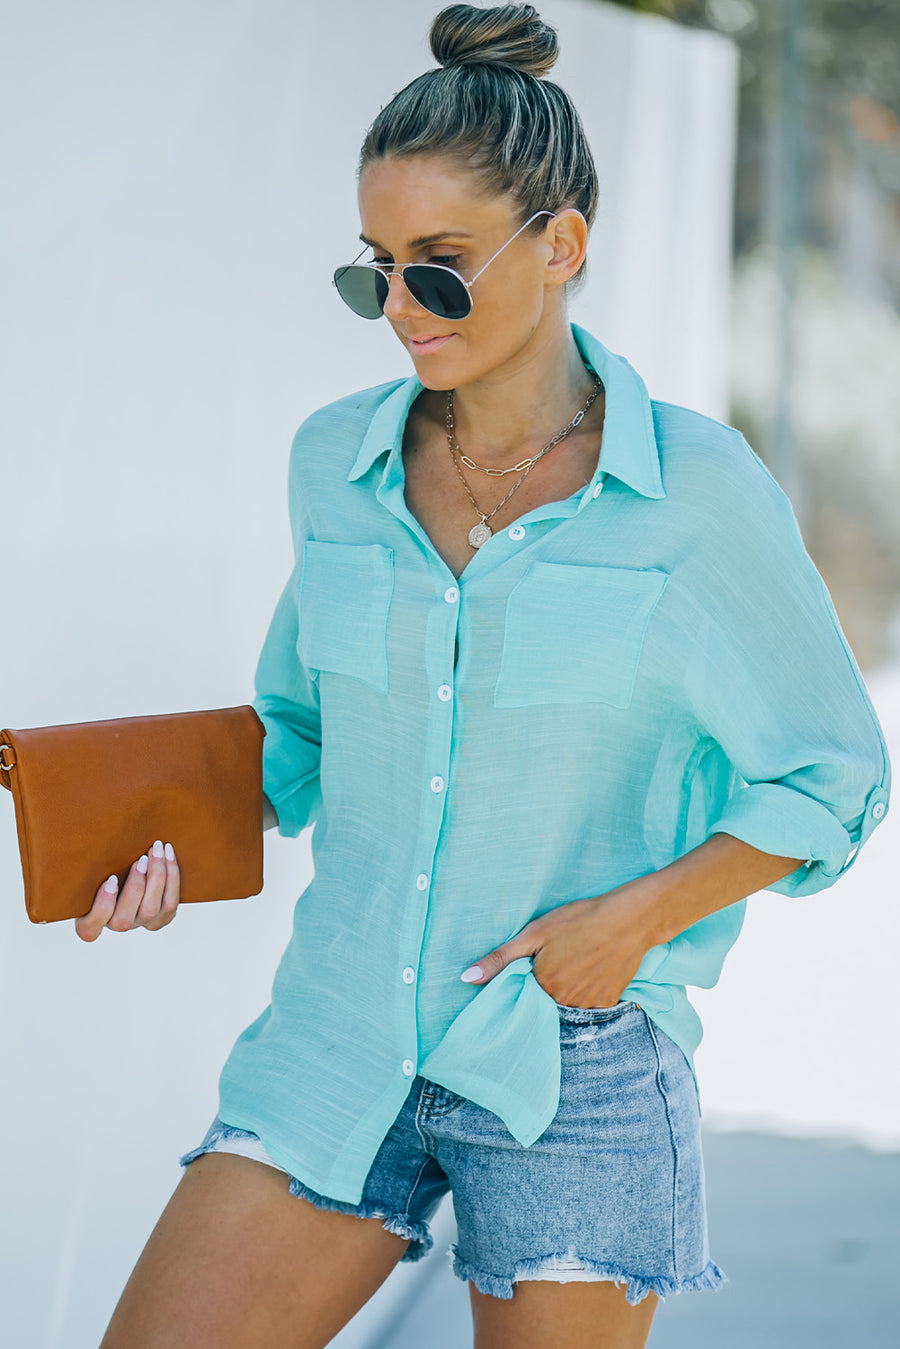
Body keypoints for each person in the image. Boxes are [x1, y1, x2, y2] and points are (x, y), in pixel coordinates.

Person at [86, 5, 891, 1347]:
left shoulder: (698, 496)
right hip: (335, 1036)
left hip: (574, 1059)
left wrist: (629, 925)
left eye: (441, 271)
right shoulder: (335, 464)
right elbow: (297, 730)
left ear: (561, 246)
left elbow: (833, 780)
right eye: (376, 272)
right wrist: (146, 831)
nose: (402, 310)